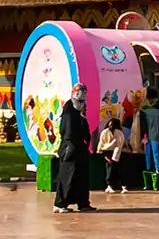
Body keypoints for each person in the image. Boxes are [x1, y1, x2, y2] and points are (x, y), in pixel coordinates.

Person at [53, 84, 94, 213]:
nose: (81, 103)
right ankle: (61, 204)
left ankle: (83, 202)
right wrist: (72, 145)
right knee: (67, 177)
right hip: (70, 148)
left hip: (80, 149)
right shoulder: (69, 113)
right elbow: (68, 132)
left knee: (81, 177)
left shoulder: (78, 113)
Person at [98, 117, 127, 194]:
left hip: (118, 152)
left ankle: (123, 186)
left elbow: (120, 144)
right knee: (110, 169)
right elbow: (102, 144)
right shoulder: (105, 132)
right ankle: (109, 186)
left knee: (120, 170)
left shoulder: (119, 133)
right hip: (107, 152)